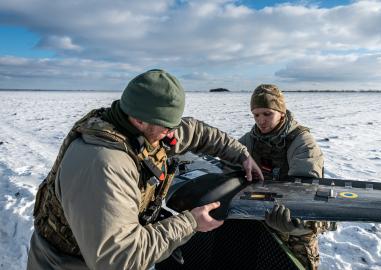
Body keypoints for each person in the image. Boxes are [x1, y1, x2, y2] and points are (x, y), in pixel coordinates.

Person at [27, 69, 263, 270]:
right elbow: (118, 258)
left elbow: (198, 132)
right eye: (167, 128)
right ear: (139, 121)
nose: (172, 135)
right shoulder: (104, 165)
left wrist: (242, 155)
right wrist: (190, 223)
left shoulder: (145, 127)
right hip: (68, 262)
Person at [239, 84, 335, 270]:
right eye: (256, 115)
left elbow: (306, 194)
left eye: (267, 114)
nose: (261, 121)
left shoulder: (302, 143)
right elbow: (229, 162)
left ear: (281, 113)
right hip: (260, 217)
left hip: (294, 228)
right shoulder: (251, 139)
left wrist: (292, 224)